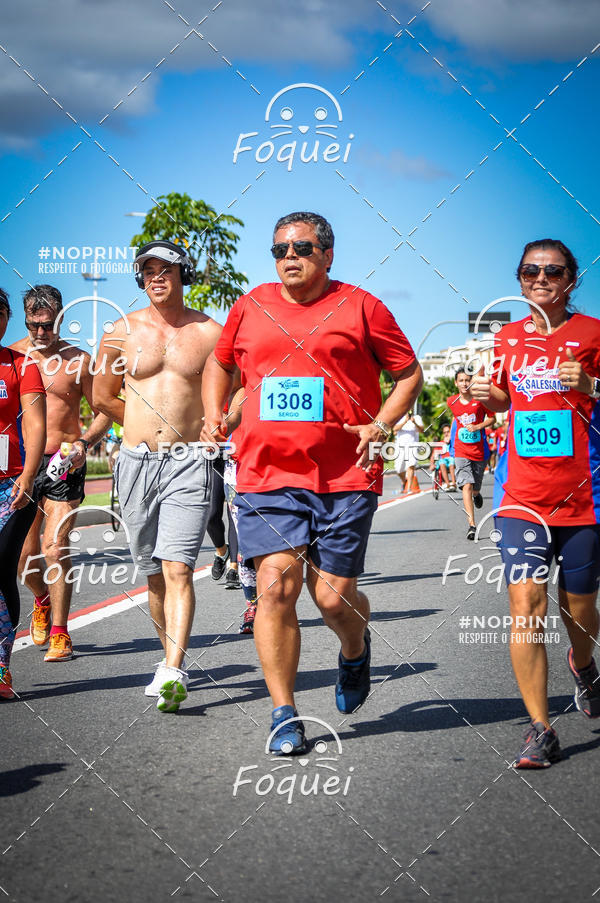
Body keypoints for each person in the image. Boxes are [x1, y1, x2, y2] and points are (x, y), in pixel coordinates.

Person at [201, 211, 422, 754]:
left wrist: (381, 424)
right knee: (276, 587)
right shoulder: (250, 306)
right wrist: (214, 414)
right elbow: (220, 364)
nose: (289, 257)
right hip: (267, 473)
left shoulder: (363, 306)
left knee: (332, 599)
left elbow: (408, 373)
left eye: (301, 247)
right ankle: (284, 714)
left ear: (327, 254)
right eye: (279, 249)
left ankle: (355, 649)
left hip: (345, 474)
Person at [471, 238, 600, 768]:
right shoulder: (506, 337)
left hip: (584, 495)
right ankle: (540, 728)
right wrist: (488, 395)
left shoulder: (592, 333)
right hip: (521, 496)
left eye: (553, 271)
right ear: (520, 279)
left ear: (572, 279)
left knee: (580, 609)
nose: (541, 279)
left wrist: (592, 383)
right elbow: (508, 397)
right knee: (525, 605)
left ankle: (584, 664)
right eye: (530, 271)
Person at [94, 239, 222, 712]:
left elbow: (241, 388)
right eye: (148, 271)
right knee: (153, 573)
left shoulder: (211, 332)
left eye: (165, 269)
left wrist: (219, 422)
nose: (156, 278)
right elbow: (102, 396)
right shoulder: (119, 332)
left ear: (183, 274)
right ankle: (166, 655)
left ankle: (173, 669)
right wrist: (140, 422)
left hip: (190, 461)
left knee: (178, 567)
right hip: (136, 463)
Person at [11, 285, 111, 662]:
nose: (41, 332)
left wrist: (83, 443)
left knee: (55, 546)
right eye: (33, 324)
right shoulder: (13, 358)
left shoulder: (79, 360)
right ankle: (42, 599)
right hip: (23, 464)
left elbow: (104, 410)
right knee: (24, 556)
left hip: (64, 461)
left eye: (48, 325)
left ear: (61, 319)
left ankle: (60, 632)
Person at [0, 290, 46, 698]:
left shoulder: (21, 365)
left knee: (2, 568)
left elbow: (34, 425)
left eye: (1, 313)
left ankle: (2, 667)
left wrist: (28, 476)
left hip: (12, 484)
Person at [447, 368, 494, 539]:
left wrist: (477, 427)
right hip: (461, 450)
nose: (464, 383)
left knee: (475, 487)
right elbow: (456, 419)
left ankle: (477, 494)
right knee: (466, 485)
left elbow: (492, 419)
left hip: (479, 450)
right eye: (461, 380)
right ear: (456, 383)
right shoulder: (451, 401)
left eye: (467, 380)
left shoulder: (480, 400)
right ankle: (472, 525)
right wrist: (450, 438)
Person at [392, 411, 424, 494]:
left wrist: (414, 422)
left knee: (411, 466)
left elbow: (422, 430)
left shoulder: (417, 418)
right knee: (398, 469)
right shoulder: (399, 417)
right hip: (400, 447)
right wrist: (405, 421)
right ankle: (405, 482)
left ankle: (408, 488)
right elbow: (394, 429)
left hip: (413, 446)